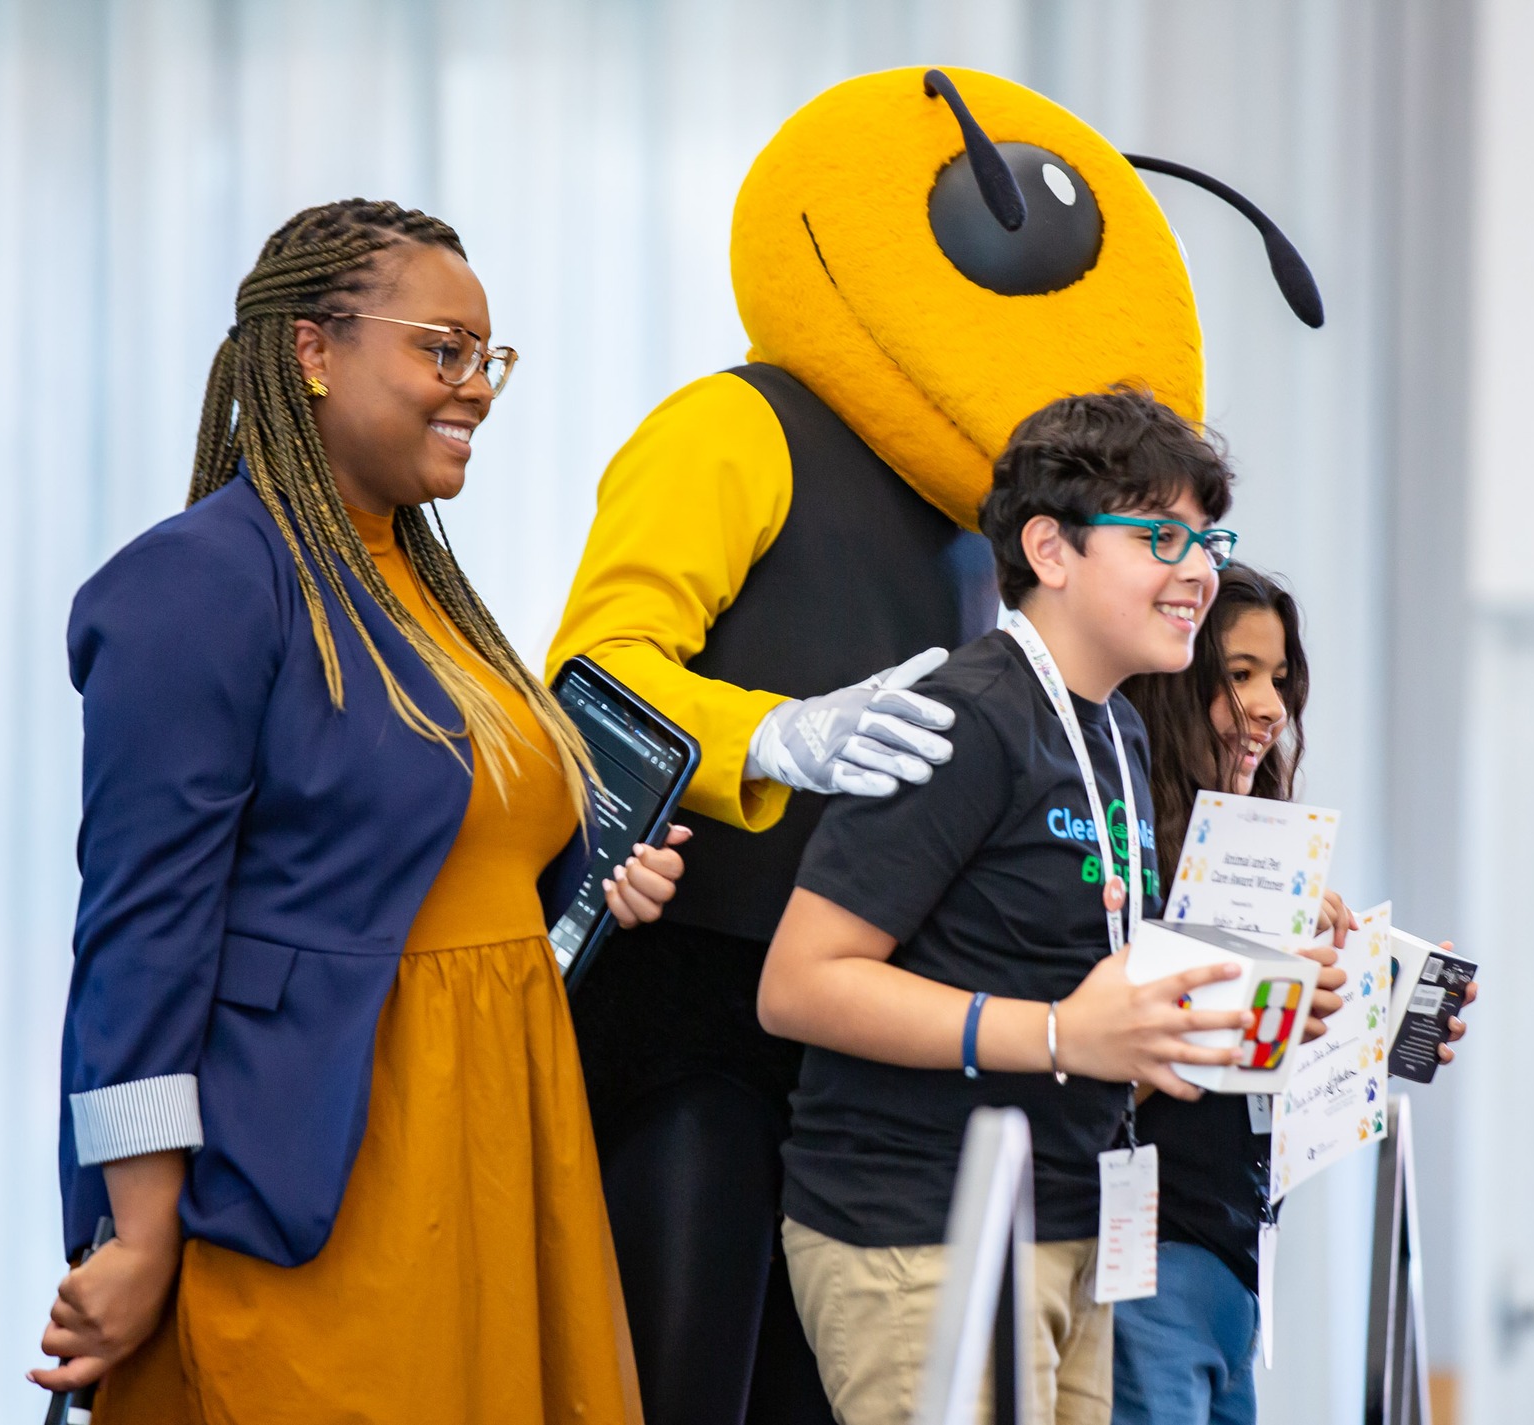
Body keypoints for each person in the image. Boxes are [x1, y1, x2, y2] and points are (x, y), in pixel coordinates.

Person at [544, 65, 1325, 1425]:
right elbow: (595, 678)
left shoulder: (1006, 548)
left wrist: (1260, 979)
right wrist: (780, 736)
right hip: (710, 1008)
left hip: (930, 1076)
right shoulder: (742, 425)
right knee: (687, 1377)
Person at [28, 199, 683, 1423]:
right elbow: (139, 939)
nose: (476, 387)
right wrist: (137, 1233)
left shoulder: (423, 582)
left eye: (487, 358)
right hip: (333, 1178)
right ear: (313, 353)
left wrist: (588, 880)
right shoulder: (201, 580)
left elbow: (438, 853)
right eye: (442, 350)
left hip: (497, 1141)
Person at [756, 388, 1264, 1425]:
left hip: (1073, 1226)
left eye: (1205, 538)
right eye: (1159, 535)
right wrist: (1056, 1034)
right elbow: (799, 986)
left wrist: (1296, 986)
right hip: (922, 1226)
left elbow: (1110, 989)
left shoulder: (1114, 730)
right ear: (1050, 548)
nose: (1197, 570)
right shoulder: (965, 715)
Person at [1112, 564, 1475, 1425]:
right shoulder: (1126, 864)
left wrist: (1366, 1024)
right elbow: (1101, 1066)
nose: (1271, 706)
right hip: (1147, 1259)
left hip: (1236, 1270)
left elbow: (1255, 1079)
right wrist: (1258, 981)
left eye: (1279, 678)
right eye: (1240, 674)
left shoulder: (1258, 864)